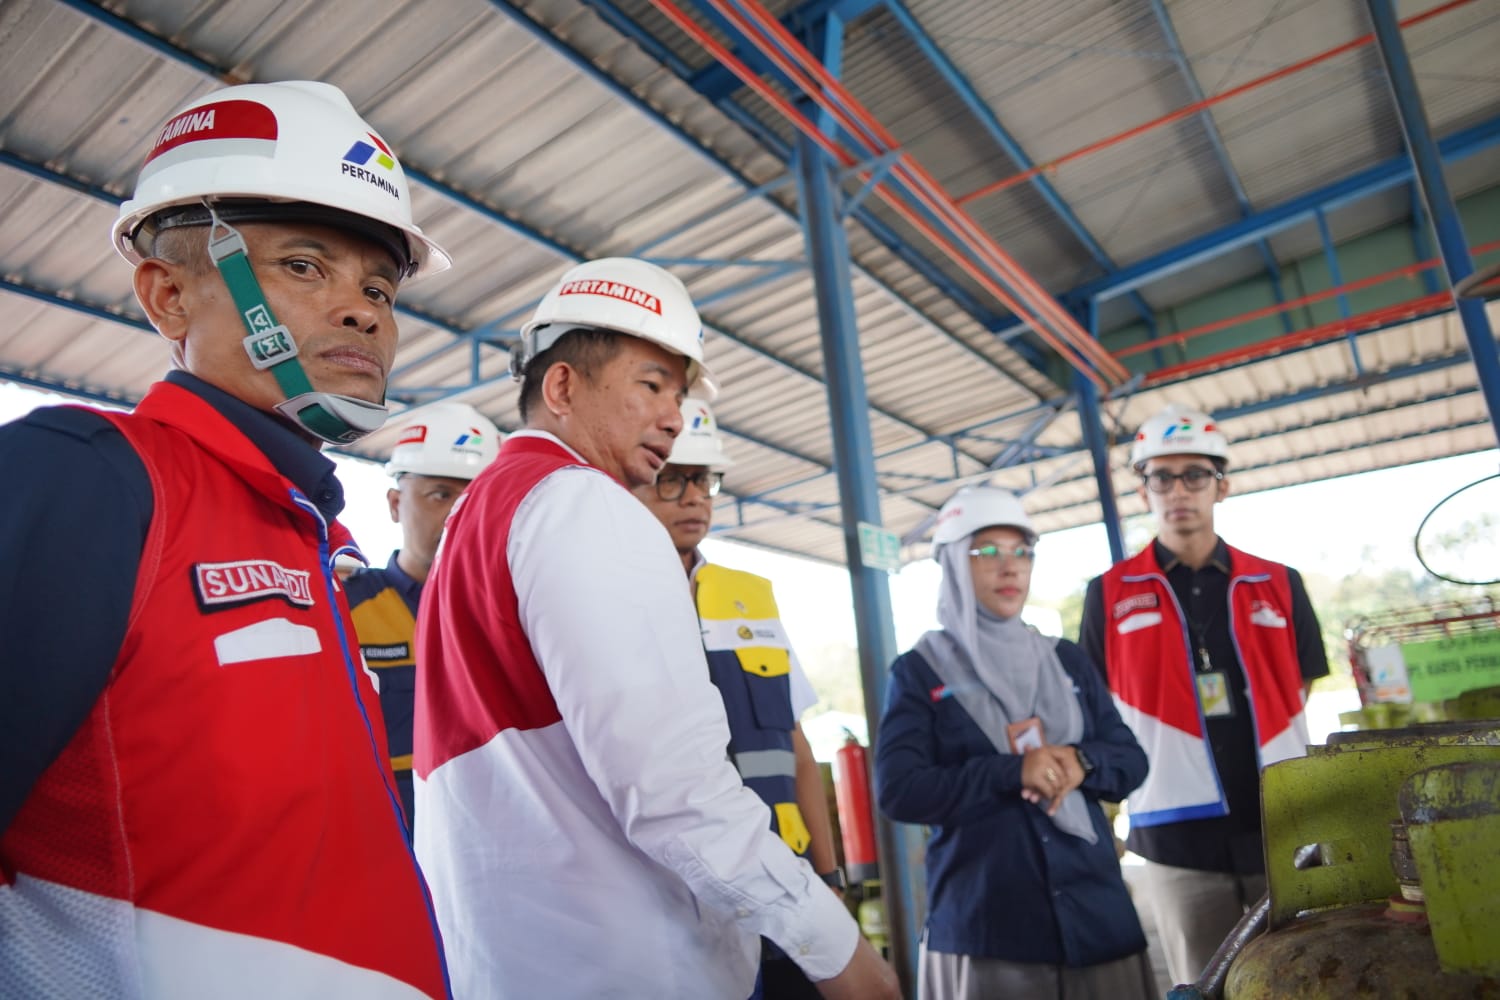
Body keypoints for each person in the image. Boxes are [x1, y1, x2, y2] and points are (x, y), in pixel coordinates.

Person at [0, 82, 451, 998]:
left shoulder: (314, 535)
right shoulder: (90, 480)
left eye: (378, 287)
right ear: (168, 295)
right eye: (304, 267)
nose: (364, 311)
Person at [412, 257, 898, 1000]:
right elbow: (674, 787)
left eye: (678, 393)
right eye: (651, 384)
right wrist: (836, 948)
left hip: (518, 958)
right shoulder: (583, 504)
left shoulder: (477, 520)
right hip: (627, 959)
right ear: (562, 387)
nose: (674, 417)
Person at [1079, 404, 1329, 986]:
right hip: (1174, 832)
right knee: (1202, 983)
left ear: (1222, 485)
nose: (1178, 491)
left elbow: (1303, 680)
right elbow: (1096, 703)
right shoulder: (1108, 593)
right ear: (1143, 490)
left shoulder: (1279, 582)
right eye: (1161, 477)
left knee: (1305, 976)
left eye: (1194, 475)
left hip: (1283, 820)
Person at [876, 486, 1154, 1000]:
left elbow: (1131, 760)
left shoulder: (1067, 661)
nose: (1010, 567)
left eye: (1022, 552)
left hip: (1097, 919)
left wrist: (1081, 761)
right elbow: (900, 790)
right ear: (953, 564)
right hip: (990, 929)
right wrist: (1011, 771)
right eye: (987, 552)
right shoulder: (919, 672)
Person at [631, 397, 845, 1000]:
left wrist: (829, 875)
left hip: (786, 880)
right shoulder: (616, 596)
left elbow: (797, 748)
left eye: (703, 481)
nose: (694, 498)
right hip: (681, 895)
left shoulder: (751, 595)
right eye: (673, 480)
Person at [346, 401, 501, 840]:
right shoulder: (344, 610)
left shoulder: (516, 619)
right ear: (396, 504)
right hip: (385, 848)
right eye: (440, 495)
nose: (458, 515)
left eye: (476, 498)